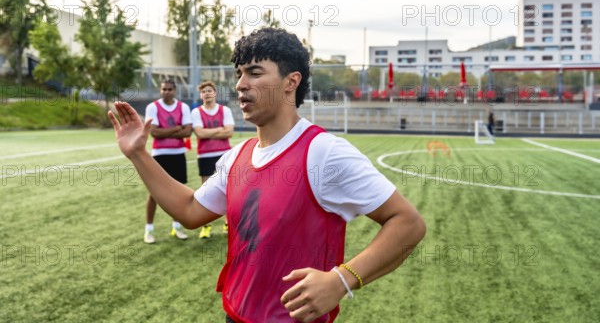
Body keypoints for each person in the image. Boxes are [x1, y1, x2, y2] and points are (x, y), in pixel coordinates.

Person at [109, 28, 426, 322]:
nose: (240, 84)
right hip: (233, 314)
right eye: (239, 74)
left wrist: (342, 280)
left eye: (254, 73)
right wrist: (138, 154)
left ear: (291, 82)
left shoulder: (324, 152)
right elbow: (190, 211)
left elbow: (408, 224)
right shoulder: (236, 157)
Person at [142, 78, 192, 244]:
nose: (166, 92)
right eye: (163, 89)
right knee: (154, 194)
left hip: (178, 154)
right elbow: (154, 133)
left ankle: (177, 226)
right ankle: (149, 229)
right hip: (159, 154)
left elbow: (187, 133)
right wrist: (177, 128)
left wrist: (168, 131)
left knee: (177, 192)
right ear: (160, 90)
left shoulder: (183, 107)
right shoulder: (152, 107)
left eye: (169, 89)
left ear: (175, 91)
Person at [192, 80, 235, 238]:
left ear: (215, 93)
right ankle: (206, 227)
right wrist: (219, 129)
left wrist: (208, 131)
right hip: (204, 154)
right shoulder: (196, 112)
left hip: (224, 154)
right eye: (204, 91)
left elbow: (229, 132)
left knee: (228, 190)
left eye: (210, 91)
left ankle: (227, 223)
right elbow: (200, 134)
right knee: (205, 192)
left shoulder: (225, 110)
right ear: (201, 94)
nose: (207, 93)